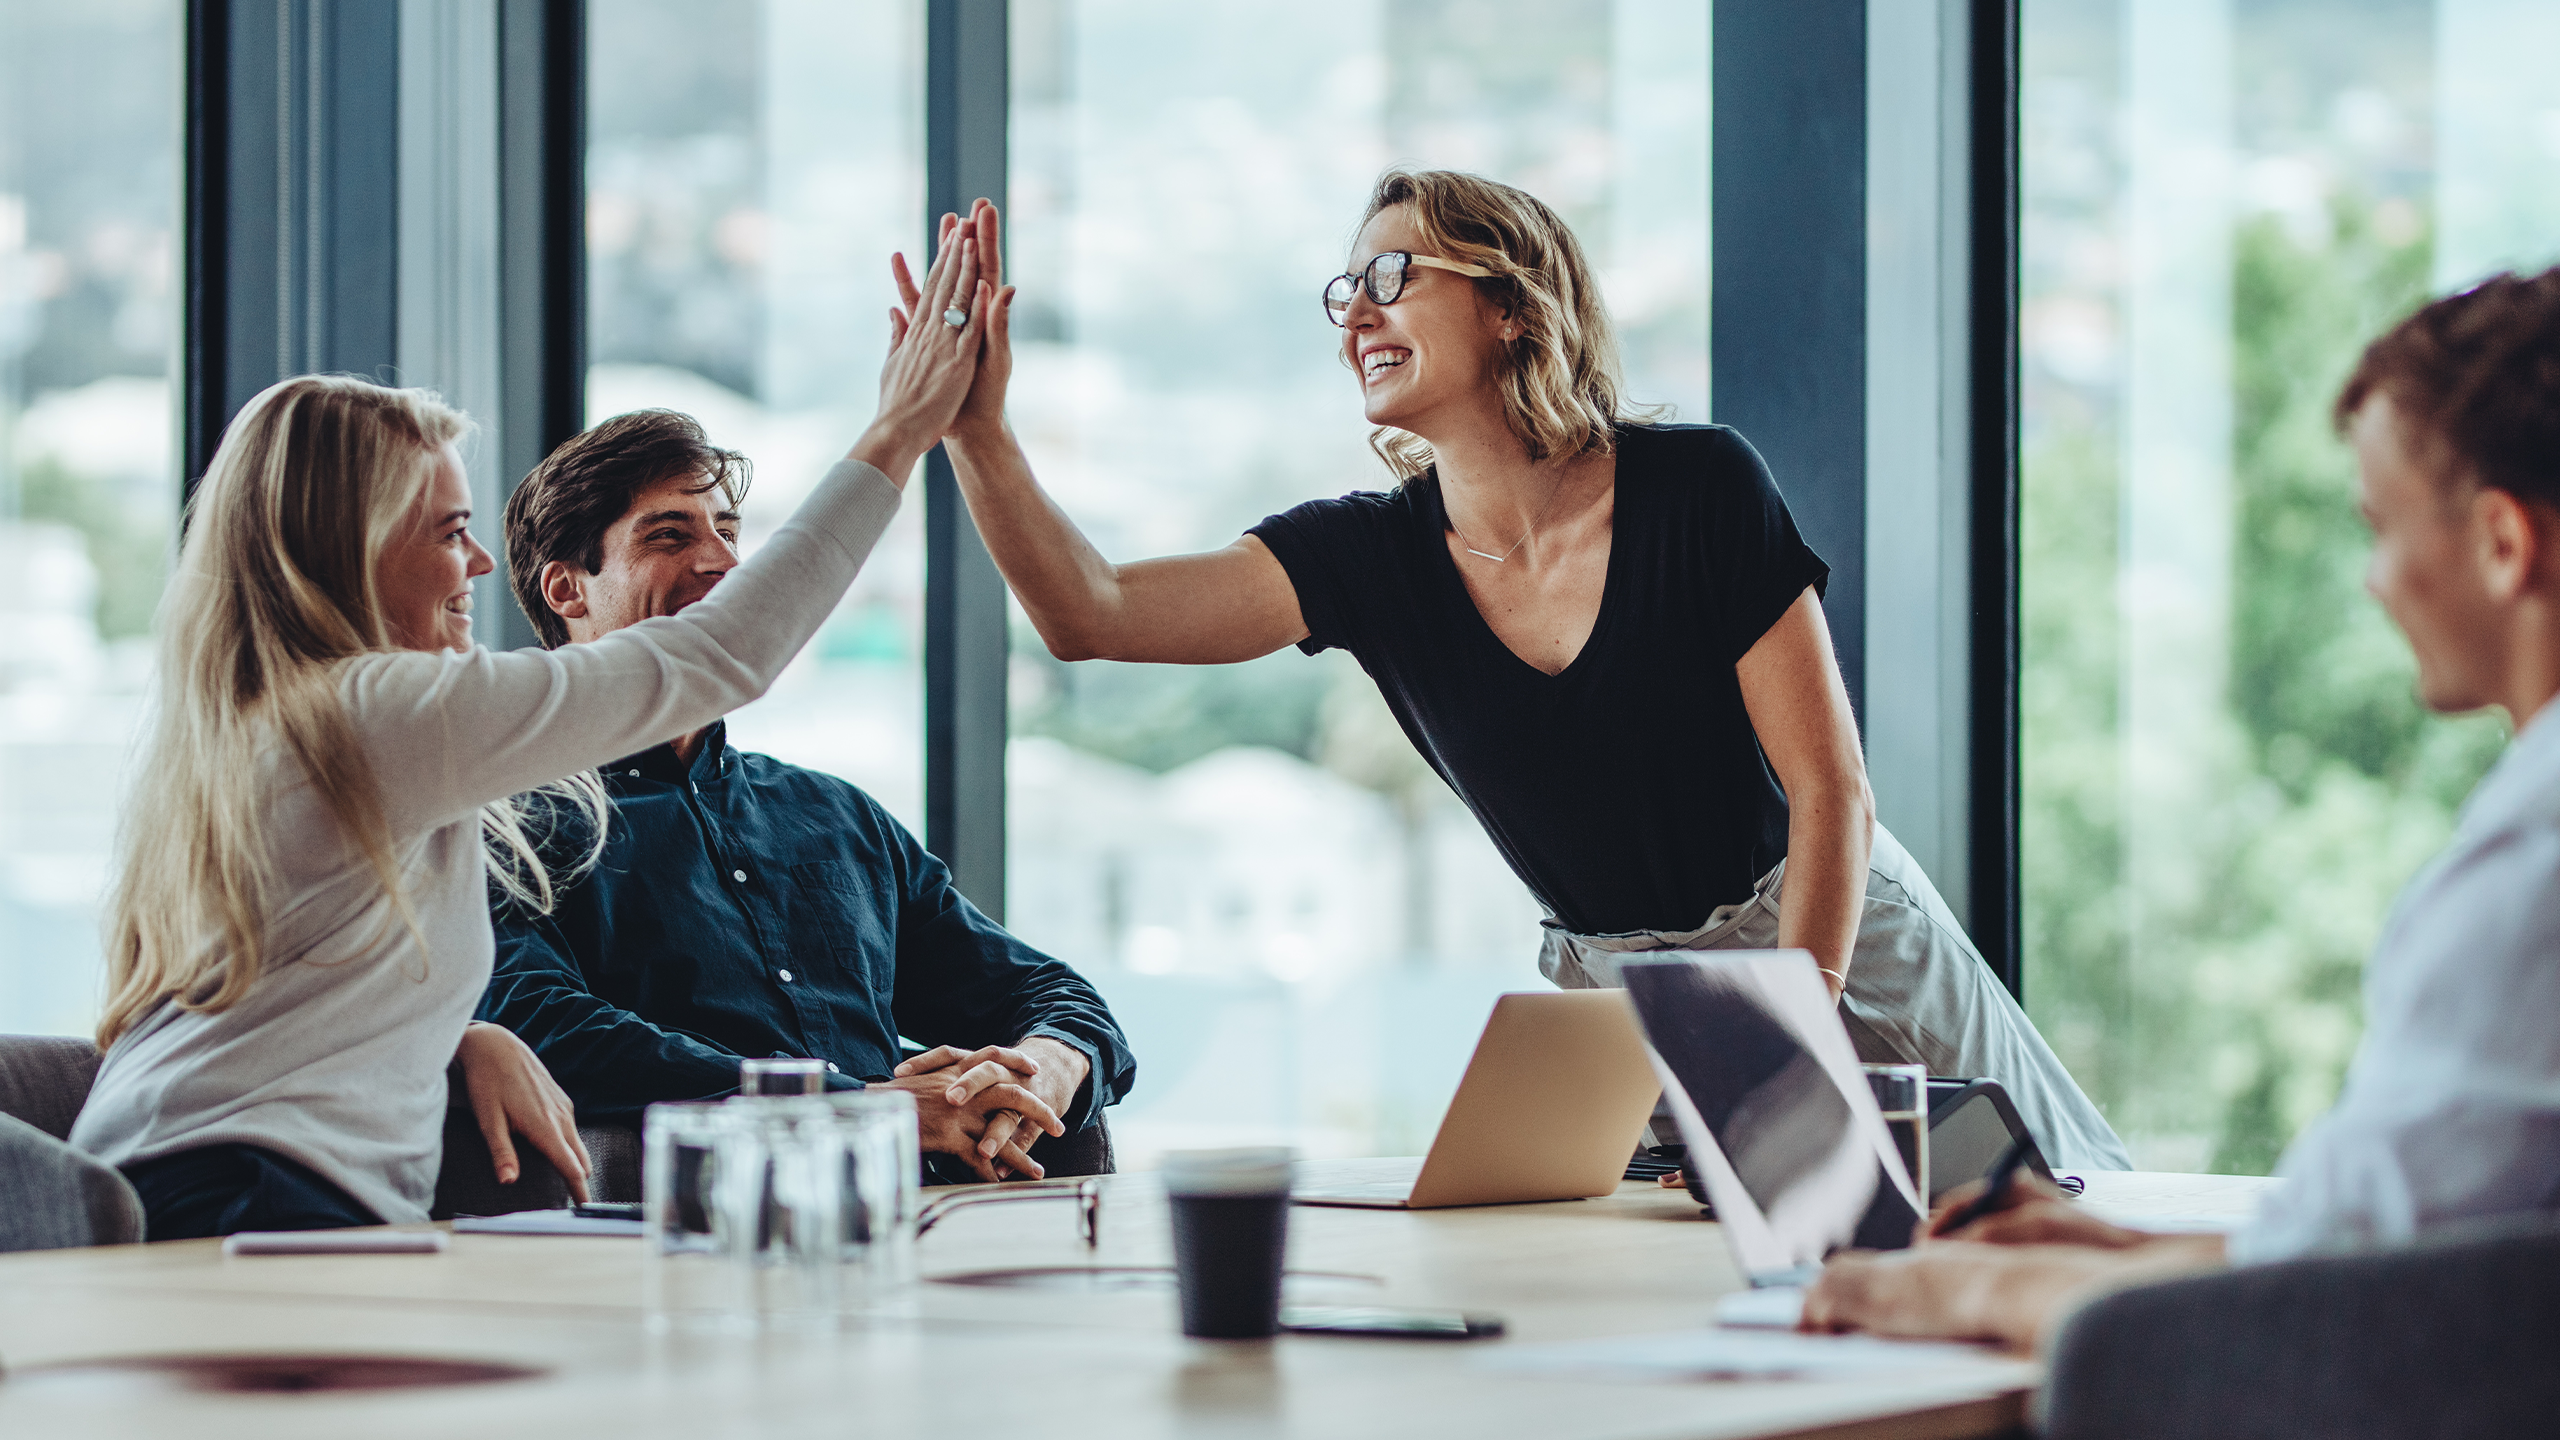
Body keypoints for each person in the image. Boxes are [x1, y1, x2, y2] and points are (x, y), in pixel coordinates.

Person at [915, 172, 2129, 1170]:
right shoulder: (1365, 557)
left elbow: (1832, 795)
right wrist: (978, 431)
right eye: (1346, 292)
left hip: (1829, 935)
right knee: (1690, 1298)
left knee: (2054, 1222)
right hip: (1619, 1002)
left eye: (1394, 276)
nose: (1356, 316)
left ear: (1510, 304)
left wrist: (1782, 1028)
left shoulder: (1699, 486)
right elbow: (1092, 611)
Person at [68, 224, 993, 1238]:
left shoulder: (274, 725)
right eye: (445, 531)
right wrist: (898, 434)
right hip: (243, 1194)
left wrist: (461, 1036)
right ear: (349, 549)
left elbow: (296, 985)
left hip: (190, 1178)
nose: (475, 566)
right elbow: (719, 657)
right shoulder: (368, 713)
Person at [1802, 267, 2560, 1350]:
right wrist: (2116, 1251)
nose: (2374, 583)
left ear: (2500, 543)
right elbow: (2407, 1242)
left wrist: (1959, 1293)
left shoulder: (2532, 872)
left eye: (2382, 529)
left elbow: (2345, 1305)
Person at [478, 410, 1136, 1183]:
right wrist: (853, 1105)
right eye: (669, 535)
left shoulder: (835, 815)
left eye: (727, 530)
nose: (723, 561)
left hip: (923, 1228)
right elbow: (539, 1024)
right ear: (567, 588)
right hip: (691, 1232)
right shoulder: (507, 820)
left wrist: (1047, 1065)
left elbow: (1047, 992)